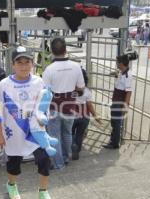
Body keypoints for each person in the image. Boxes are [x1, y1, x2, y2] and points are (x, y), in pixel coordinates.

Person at [0, 46, 52, 199]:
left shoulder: (39, 81)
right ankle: (11, 185)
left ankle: (43, 191)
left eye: (27, 62)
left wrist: (44, 122)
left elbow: (44, 105)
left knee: (44, 160)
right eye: (20, 62)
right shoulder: (4, 85)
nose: (24, 66)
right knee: (14, 164)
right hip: (13, 134)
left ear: (32, 64)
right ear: (13, 64)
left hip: (35, 132)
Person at [43, 38, 85, 169]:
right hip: (70, 107)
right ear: (66, 50)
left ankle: (59, 164)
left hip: (54, 107)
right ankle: (66, 158)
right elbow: (81, 88)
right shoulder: (76, 66)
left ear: (51, 51)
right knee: (67, 133)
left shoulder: (49, 69)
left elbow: (45, 92)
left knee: (54, 136)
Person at [71, 69, 102, 160]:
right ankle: (78, 149)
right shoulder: (87, 91)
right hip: (84, 117)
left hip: (72, 116)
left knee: (70, 133)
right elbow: (90, 106)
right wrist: (96, 116)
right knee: (80, 134)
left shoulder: (70, 90)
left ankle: (73, 146)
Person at [103, 54, 132, 149]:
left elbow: (128, 92)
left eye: (117, 62)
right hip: (116, 100)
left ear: (121, 63)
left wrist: (125, 106)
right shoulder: (122, 72)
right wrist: (115, 74)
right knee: (114, 122)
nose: (116, 64)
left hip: (120, 102)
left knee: (116, 122)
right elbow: (119, 81)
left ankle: (114, 143)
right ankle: (113, 140)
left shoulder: (128, 75)